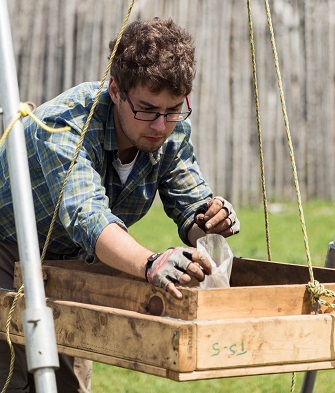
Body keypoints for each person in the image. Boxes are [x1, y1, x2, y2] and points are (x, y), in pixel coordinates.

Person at [0, 17, 240, 393]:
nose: (161, 126)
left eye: (174, 109)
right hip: (7, 249)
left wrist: (208, 220)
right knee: (10, 380)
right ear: (115, 90)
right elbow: (87, 215)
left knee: (68, 386)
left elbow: (189, 200)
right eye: (147, 109)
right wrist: (150, 263)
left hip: (76, 261)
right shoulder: (64, 126)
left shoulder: (169, 127)